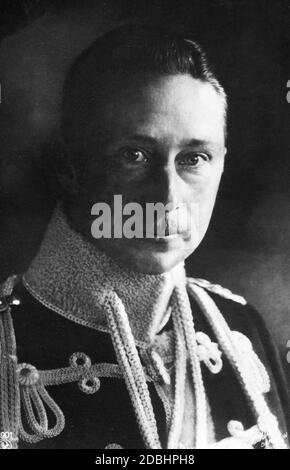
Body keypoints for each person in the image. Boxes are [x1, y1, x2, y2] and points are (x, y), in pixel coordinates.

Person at [0, 24, 289, 450]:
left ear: (222, 165)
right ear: (69, 166)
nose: (168, 198)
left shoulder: (240, 328)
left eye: (194, 158)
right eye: (134, 156)